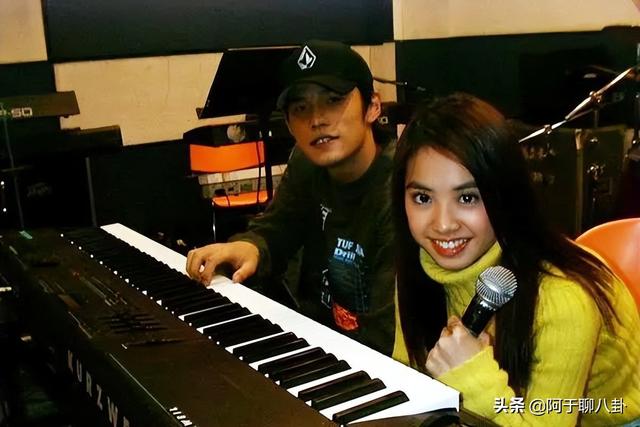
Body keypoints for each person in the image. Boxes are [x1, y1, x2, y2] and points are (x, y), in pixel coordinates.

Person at [391, 93, 640, 426]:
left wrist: (471, 377)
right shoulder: (421, 266)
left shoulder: (563, 298)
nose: (443, 224)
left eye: (468, 197)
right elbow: (407, 378)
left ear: (505, 194)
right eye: (423, 198)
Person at [186, 40, 396, 355]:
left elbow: (386, 340)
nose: (317, 119)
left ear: (373, 107)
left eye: (333, 100)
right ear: (288, 124)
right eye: (300, 108)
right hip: (314, 339)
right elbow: (277, 228)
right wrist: (250, 247)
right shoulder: (307, 163)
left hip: (370, 358)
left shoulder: (402, 188)